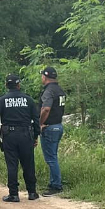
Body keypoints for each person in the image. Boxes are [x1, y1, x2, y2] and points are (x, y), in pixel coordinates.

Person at [0, 74, 39, 202]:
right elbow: (36, 119)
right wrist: (36, 135)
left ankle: (14, 194)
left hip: (9, 135)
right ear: (19, 85)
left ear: (6, 85)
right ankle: (32, 192)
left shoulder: (2, 100)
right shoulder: (28, 99)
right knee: (28, 164)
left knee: (12, 165)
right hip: (26, 135)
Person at [37, 67, 66, 195]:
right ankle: (55, 182)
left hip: (49, 127)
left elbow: (46, 109)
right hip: (58, 125)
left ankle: (56, 185)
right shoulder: (60, 90)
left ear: (45, 76)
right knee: (53, 156)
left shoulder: (49, 91)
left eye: (42, 75)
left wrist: (40, 123)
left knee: (51, 158)